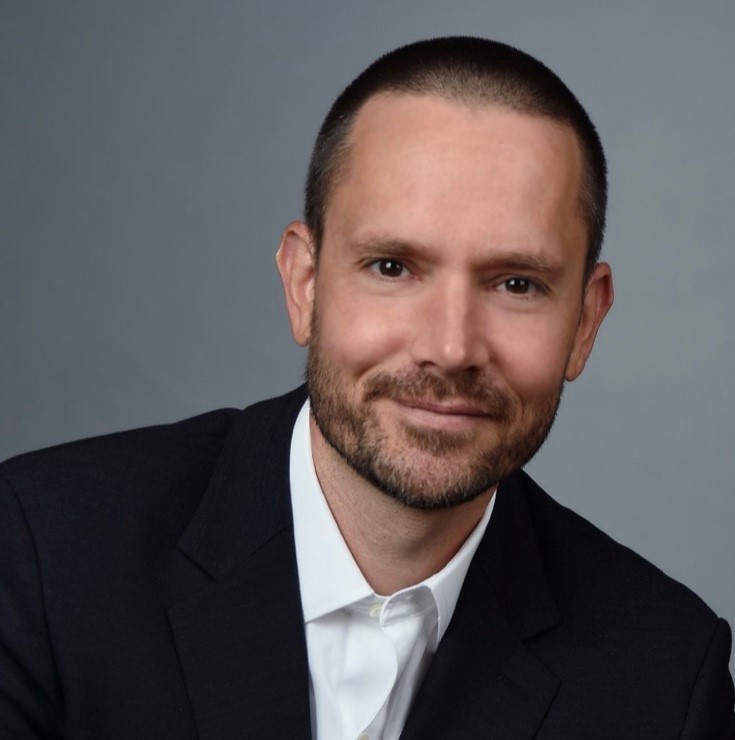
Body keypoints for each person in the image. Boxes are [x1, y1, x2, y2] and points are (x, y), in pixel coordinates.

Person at [1, 36, 732, 739]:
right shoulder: (44, 554)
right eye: (392, 268)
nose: (450, 349)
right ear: (304, 284)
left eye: (516, 284)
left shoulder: (665, 678)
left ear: (585, 321)